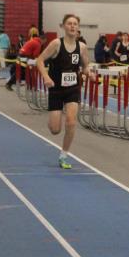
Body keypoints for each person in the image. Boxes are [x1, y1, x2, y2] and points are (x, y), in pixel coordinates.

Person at [36, 14, 89, 169]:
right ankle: (53, 120)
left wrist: (88, 72)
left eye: (75, 24)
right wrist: (46, 77)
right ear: (63, 26)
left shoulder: (82, 47)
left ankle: (63, 156)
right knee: (55, 130)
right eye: (69, 23)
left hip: (72, 89)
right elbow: (39, 60)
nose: (72, 26)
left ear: (78, 27)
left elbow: (86, 65)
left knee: (71, 122)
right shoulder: (56, 44)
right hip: (56, 90)